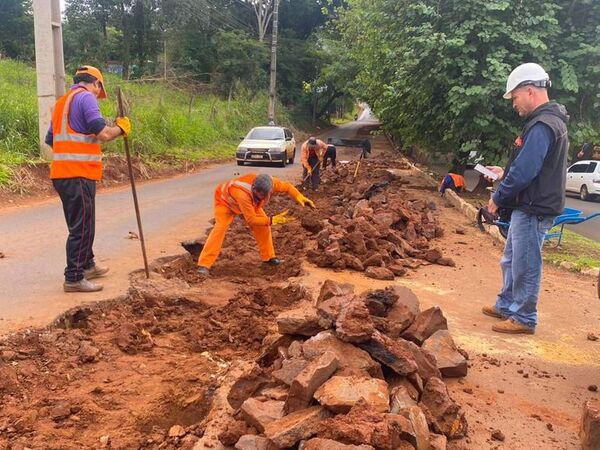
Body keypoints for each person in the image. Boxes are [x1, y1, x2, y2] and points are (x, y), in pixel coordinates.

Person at [482, 63, 569, 335]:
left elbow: (527, 170)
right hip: (529, 204)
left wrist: (499, 196)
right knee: (512, 259)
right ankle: (507, 305)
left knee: (526, 263)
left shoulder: (543, 124)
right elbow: (529, 167)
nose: (514, 104)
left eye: (515, 97)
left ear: (530, 91)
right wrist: (504, 173)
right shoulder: (542, 123)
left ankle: (524, 317)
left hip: (534, 207)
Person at [46, 65, 131, 293]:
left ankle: (88, 264)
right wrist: (121, 129)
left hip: (63, 174)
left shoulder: (62, 102)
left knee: (82, 222)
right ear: (96, 83)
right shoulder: (86, 98)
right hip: (78, 172)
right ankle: (73, 278)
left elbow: (50, 140)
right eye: (98, 91)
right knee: (82, 227)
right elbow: (102, 133)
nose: (97, 96)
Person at [196, 173, 315, 275]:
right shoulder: (243, 194)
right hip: (225, 203)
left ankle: (268, 258)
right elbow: (251, 220)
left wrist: (300, 196)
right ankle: (204, 264)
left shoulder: (271, 183)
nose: (260, 198)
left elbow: (288, 187)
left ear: (270, 192)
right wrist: (272, 220)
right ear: (253, 188)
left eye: (262, 197)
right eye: (257, 196)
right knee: (220, 228)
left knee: (263, 227)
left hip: (251, 205)